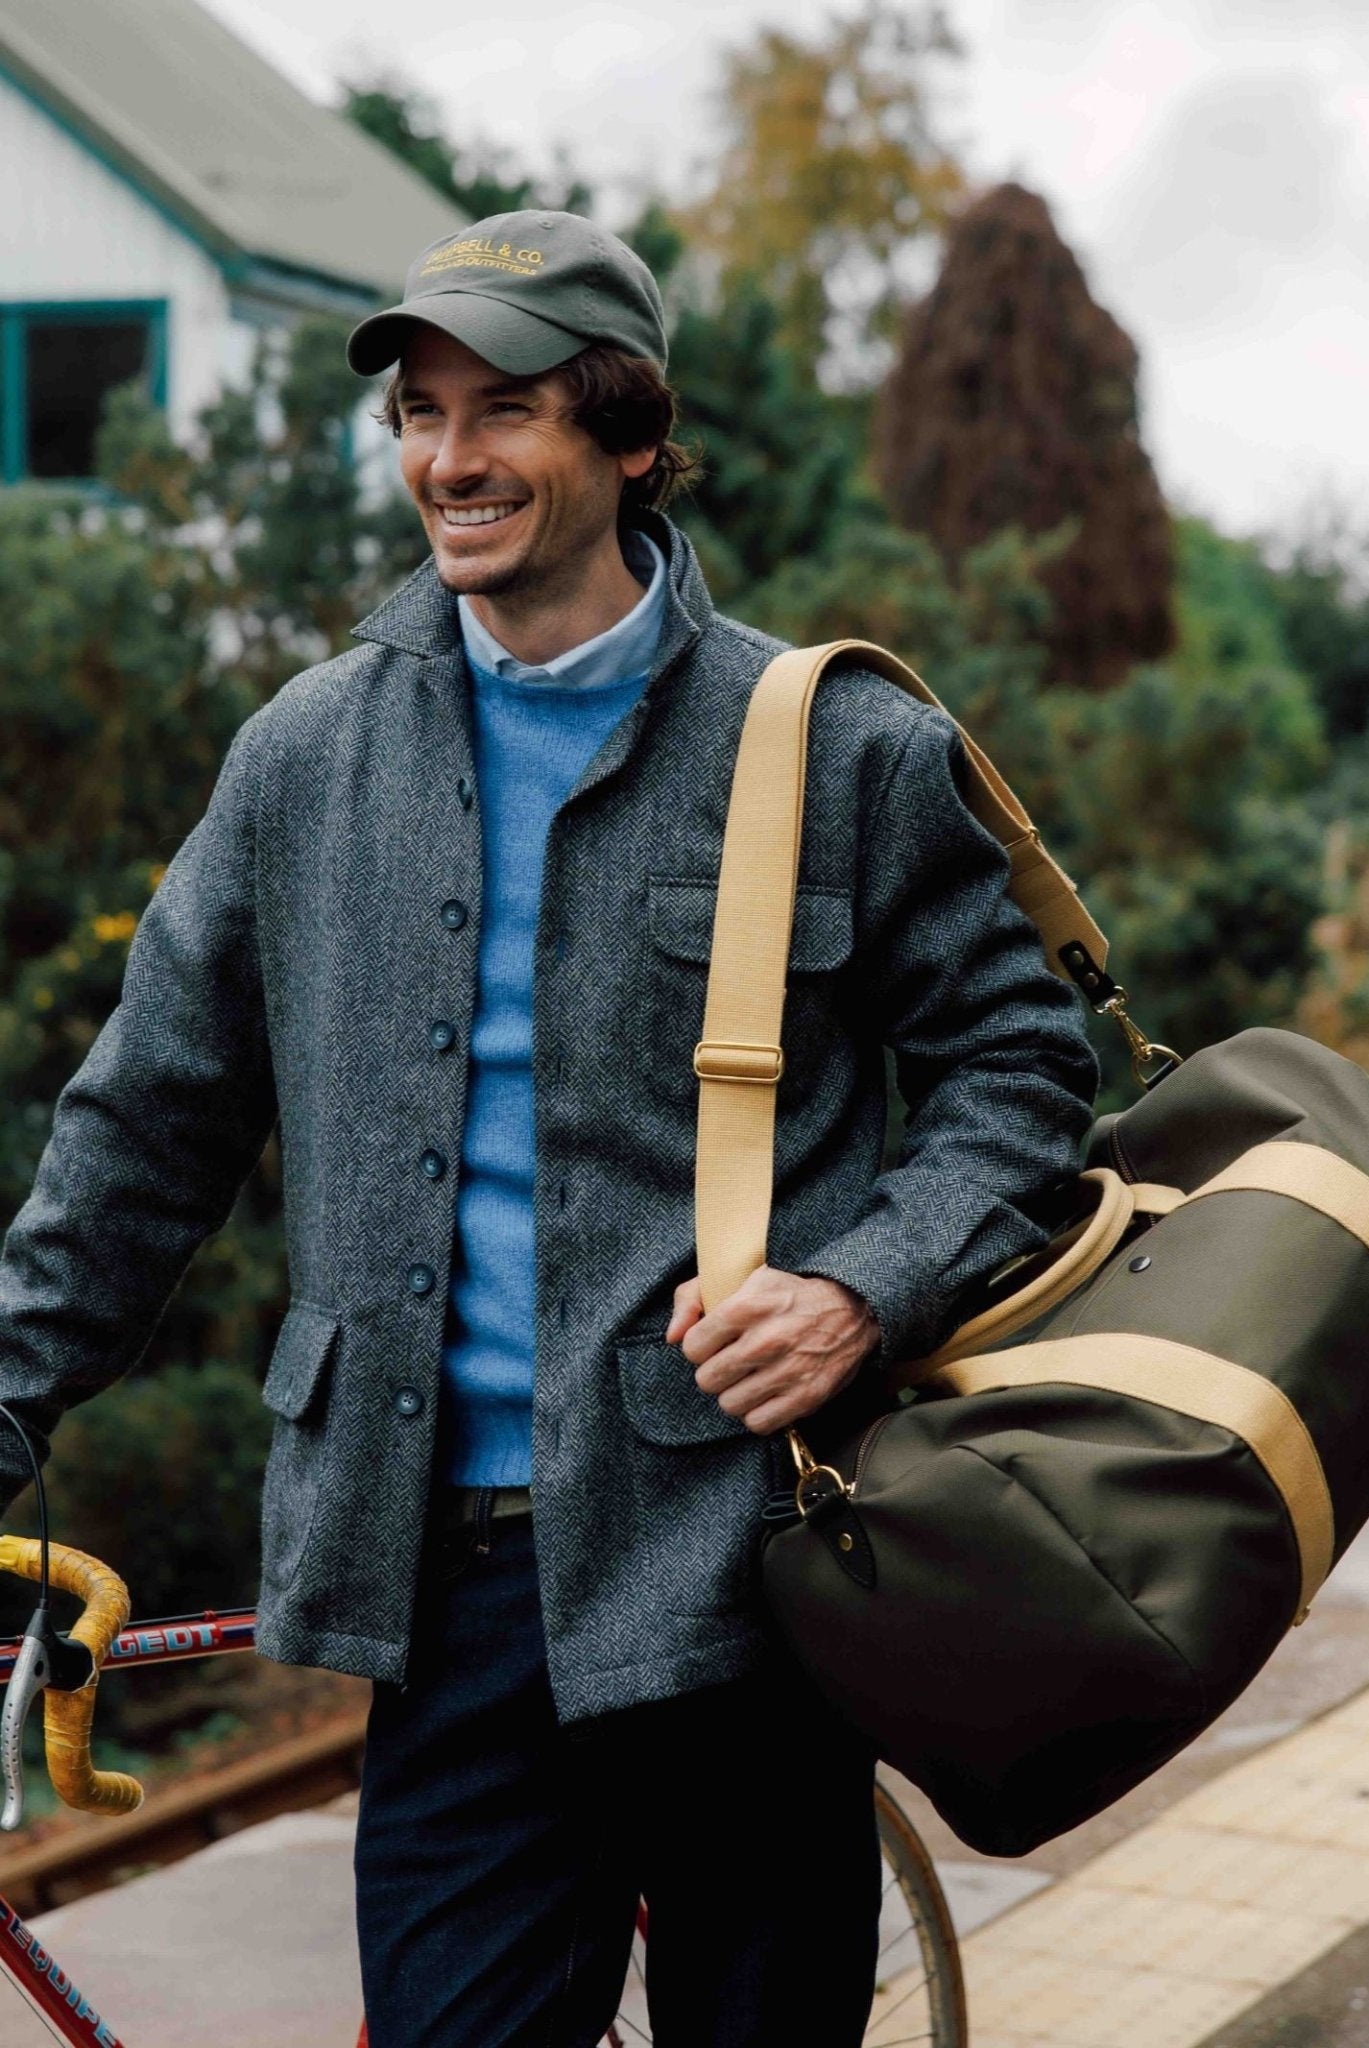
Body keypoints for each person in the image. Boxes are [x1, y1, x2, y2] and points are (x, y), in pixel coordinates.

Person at [0, 209, 1098, 2044]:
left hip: (746, 1571)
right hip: (432, 1589)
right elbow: (143, 1130)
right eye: (420, 416)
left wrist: (862, 1288)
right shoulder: (304, 759)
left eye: (502, 410)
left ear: (631, 435)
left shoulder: (826, 748)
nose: (449, 460)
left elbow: (1021, 1076)